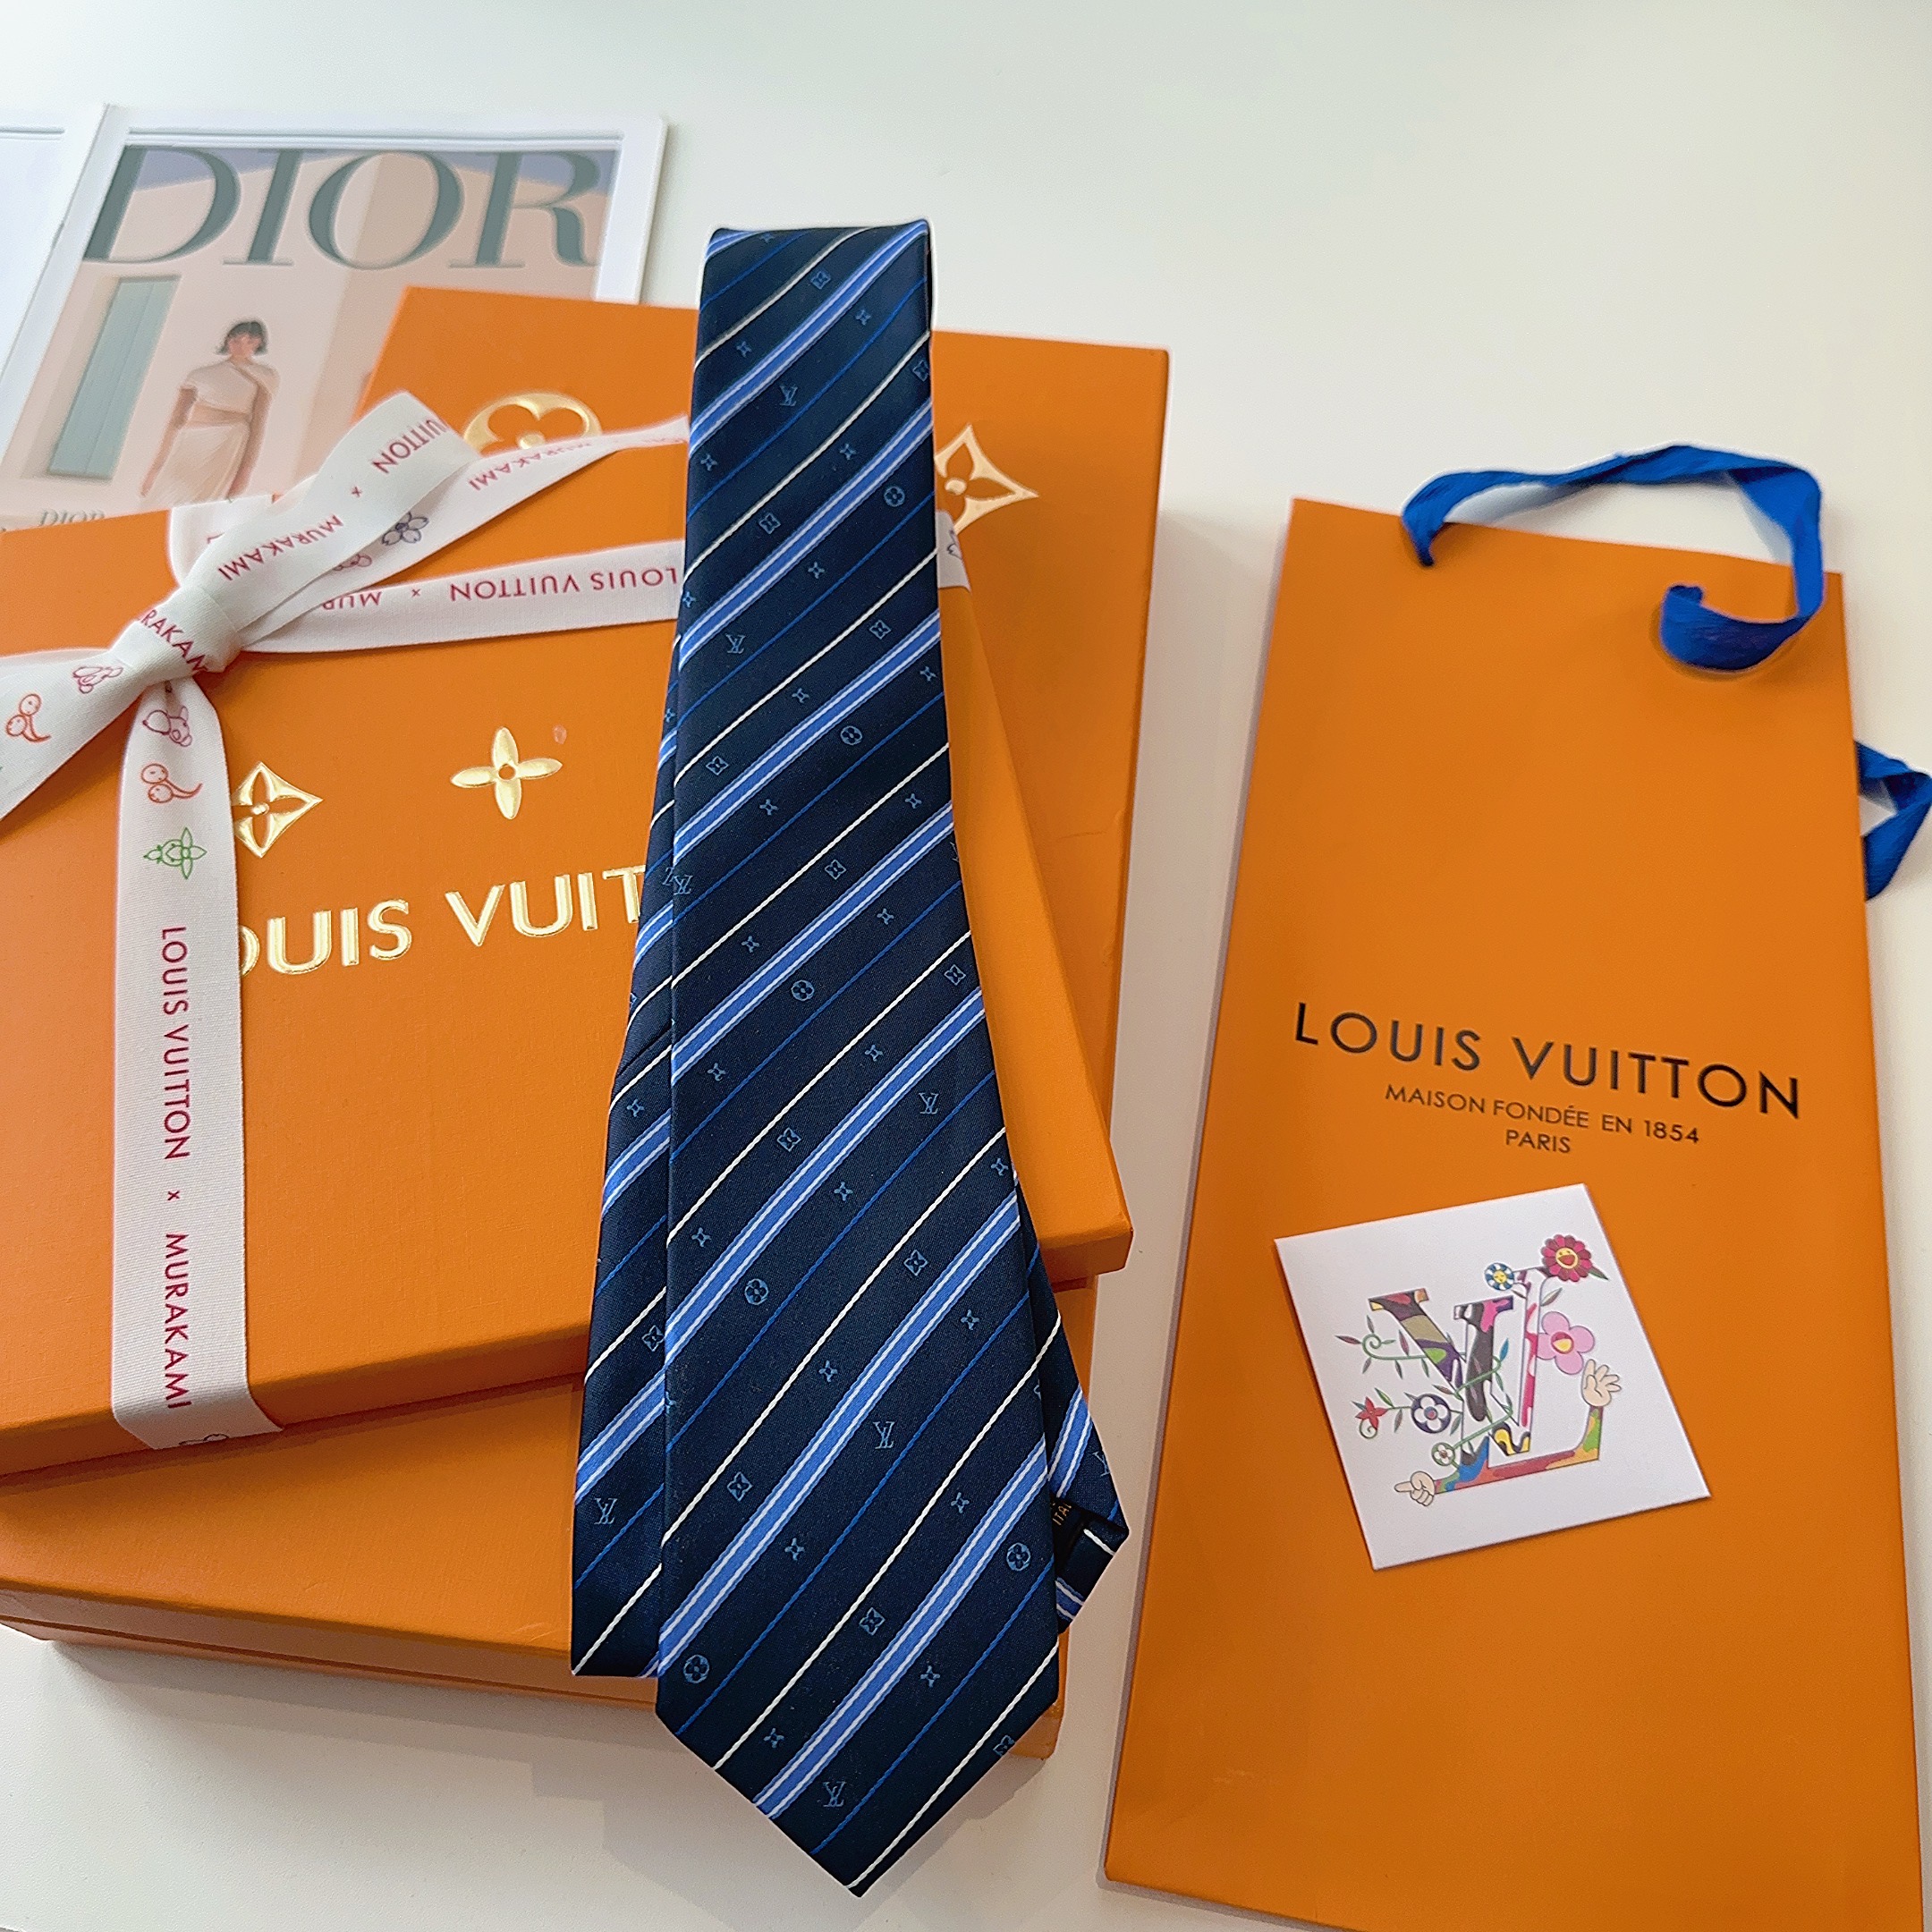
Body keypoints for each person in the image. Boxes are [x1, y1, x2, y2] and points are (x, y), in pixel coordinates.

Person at [140, 320, 278, 505]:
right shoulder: (200, 374)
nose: (241, 346)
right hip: (191, 442)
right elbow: (176, 420)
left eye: (250, 341)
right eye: (236, 340)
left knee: (199, 502)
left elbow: (258, 424)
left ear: (259, 343)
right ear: (228, 340)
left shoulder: (264, 376)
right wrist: (156, 468)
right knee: (164, 498)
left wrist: (245, 472)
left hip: (228, 442)